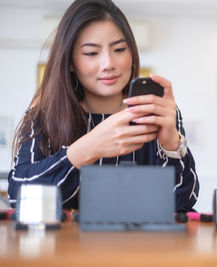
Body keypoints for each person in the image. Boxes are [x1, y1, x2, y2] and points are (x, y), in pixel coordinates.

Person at [7, 0, 199, 212]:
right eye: (91, 53)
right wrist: (86, 148)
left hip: (139, 245)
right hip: (65, 245)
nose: (108, 64)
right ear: (70, 61)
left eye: (119, 49)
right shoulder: (44, 115)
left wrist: (171, 145)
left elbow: (182, 204)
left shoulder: (155, 112)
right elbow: (20, 198)